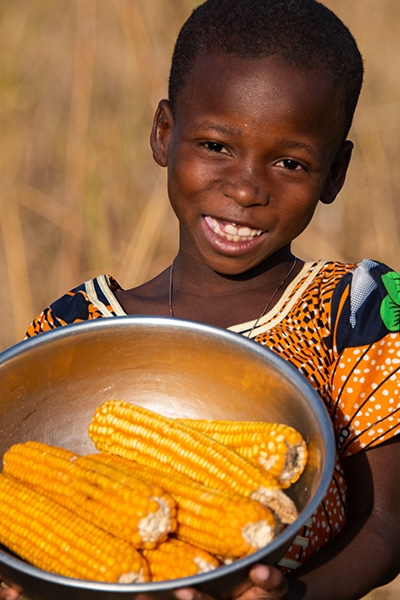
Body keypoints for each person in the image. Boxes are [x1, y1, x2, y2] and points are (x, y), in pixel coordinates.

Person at [3, 1, 399, 599]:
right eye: (216, 146)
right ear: (165, 134)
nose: (245, 187)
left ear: (335, 174)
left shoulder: (358, 311)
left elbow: (386, 522)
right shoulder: (74, 327)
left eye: (290, 162)